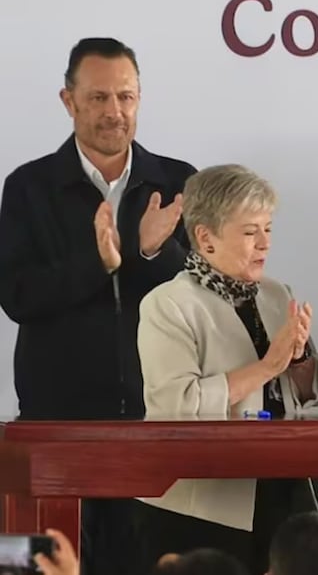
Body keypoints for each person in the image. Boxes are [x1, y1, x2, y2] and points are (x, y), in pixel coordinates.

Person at [0, 37, 196, 575]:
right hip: (55, 431)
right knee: (41, 565)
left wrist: (152, 252)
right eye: (99, 98)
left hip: (158, 429)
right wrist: (100, 263)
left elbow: (202, 296)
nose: (115, 112)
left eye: (126, 97)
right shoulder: (28, 187)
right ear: (69, 101)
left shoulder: (178, 181)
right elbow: (17, 296)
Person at [134, 164, 318, 575]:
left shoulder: (277, 294)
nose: (265, 243)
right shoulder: (167, 304)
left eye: (268, 229)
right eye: (250, 232)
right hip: (203, 506)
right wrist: (267, 366)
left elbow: (310, 391)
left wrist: (298, 359)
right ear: (206, 237)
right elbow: (175, 406)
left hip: (283, 490)